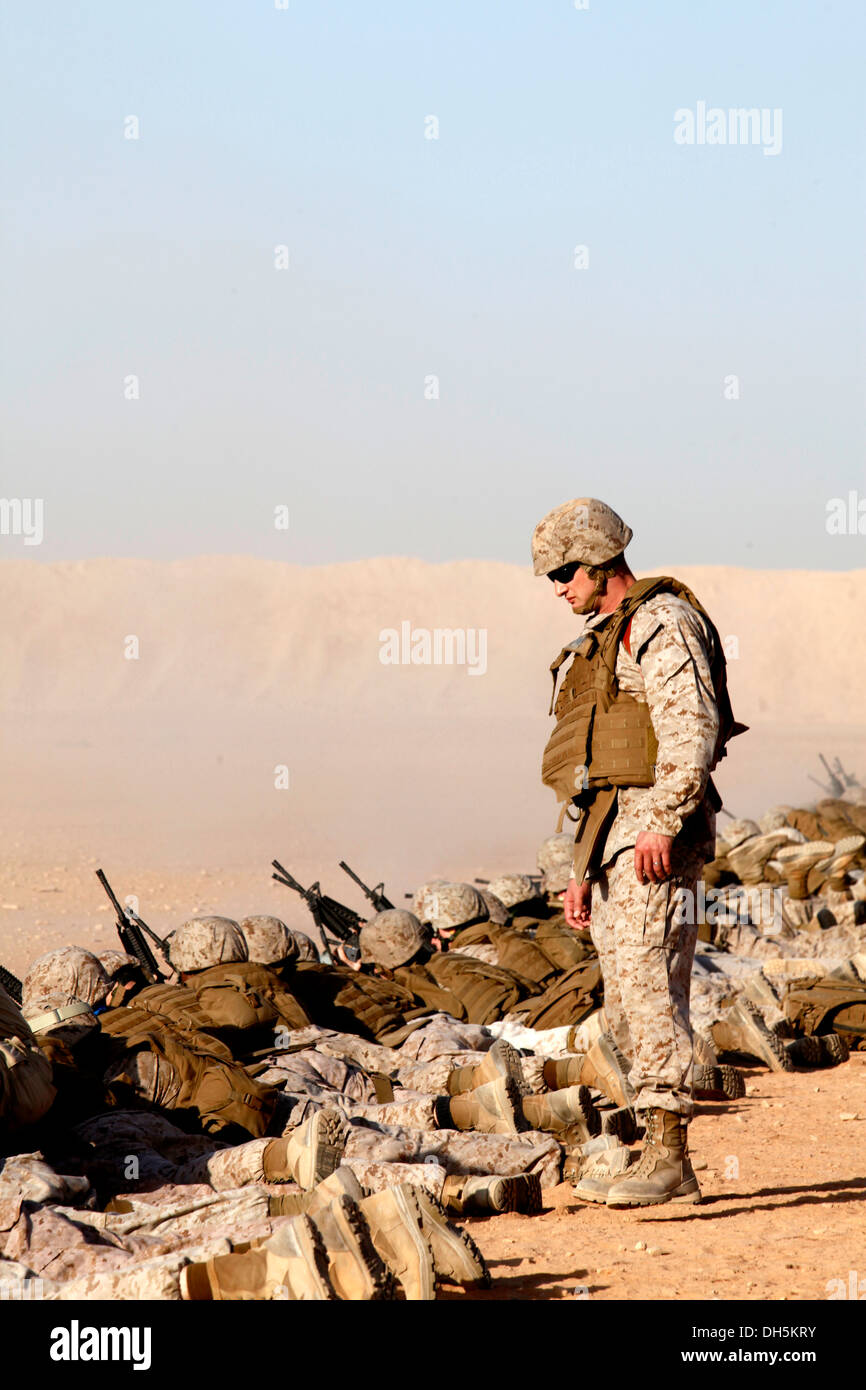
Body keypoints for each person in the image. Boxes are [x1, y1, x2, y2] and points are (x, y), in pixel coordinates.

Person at [532, 496, 745, 1206]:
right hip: (615, 845)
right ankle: (648, 1145)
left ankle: (670, 1158)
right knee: (626, 998)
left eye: (565, 570)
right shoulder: (608, 635)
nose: (559, 586)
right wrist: (580, 870)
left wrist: (662, 820)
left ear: (599, 562)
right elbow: (601, 770)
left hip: (654, 841)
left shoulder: (659, 621)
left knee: (654, 992)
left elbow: (692, 730)